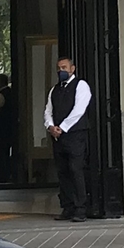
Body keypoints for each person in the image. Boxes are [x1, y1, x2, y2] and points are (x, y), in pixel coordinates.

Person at [46, 55, 93, 221]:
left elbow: (79, 110)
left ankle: (81, 208)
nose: (61, 71)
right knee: (63, 171)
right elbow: (48, 110)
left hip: (75, 135)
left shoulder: (81, 86)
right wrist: (50, 126)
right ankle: (67, 207)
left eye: (64, 67)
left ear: (72, 69)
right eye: (59, 68)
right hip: (58, 137)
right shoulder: (55, 89)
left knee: (76, 170)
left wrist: (63, 128)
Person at [0, 76, 20, 187]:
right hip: (11, 129)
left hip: (0, 130)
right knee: (8, 153)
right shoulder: (13, 94)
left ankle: (1, 176)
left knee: (0, 153)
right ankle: (10, 174)